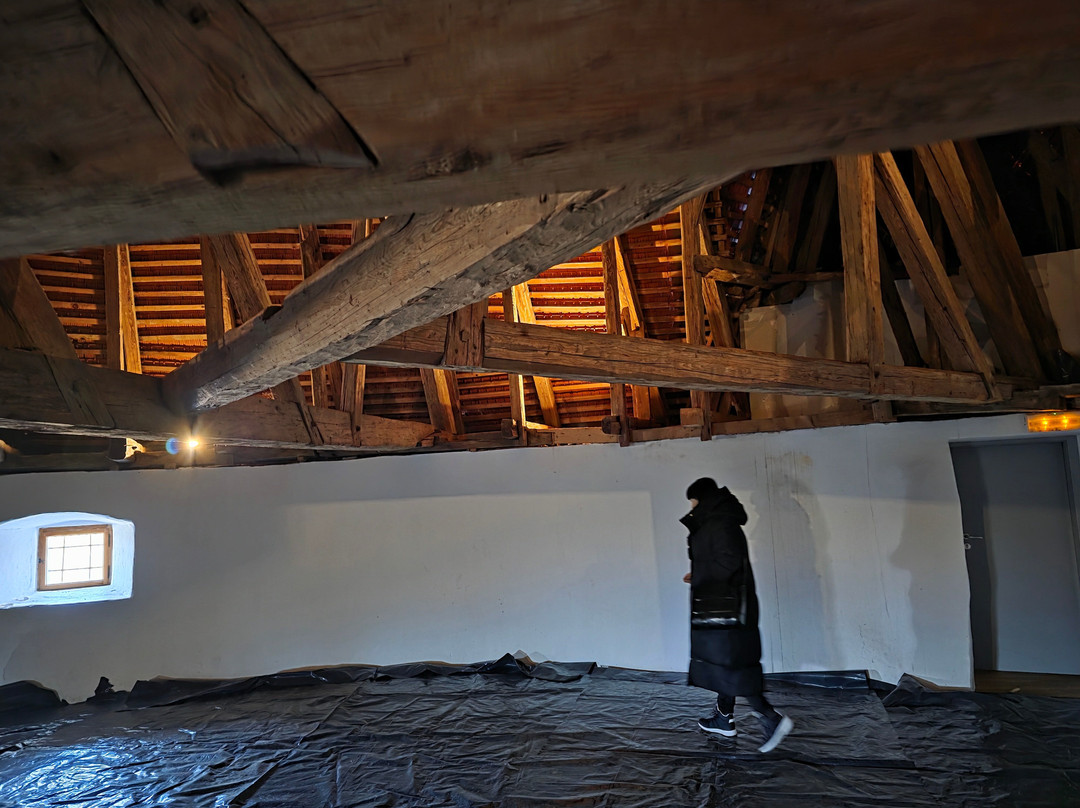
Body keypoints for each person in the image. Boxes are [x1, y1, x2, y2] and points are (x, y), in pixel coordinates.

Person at [681, 477, 793, 753]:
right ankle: (723, 717)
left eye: (693, 501)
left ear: (702, 499)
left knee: (733, 663)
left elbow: (728, 563)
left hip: (727, 607)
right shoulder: (717, 520)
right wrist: (698, 572)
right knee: (724, 662)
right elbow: (720, 560)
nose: (692, 507)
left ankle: (770, 717)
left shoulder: (720, 522)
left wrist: (701, 576)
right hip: (720, 604)